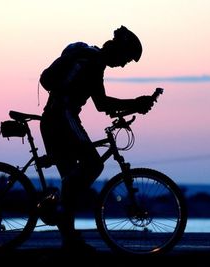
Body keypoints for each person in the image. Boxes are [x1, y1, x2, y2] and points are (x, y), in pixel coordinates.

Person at [39, 25, 155, 252]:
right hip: (62, 117)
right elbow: (102, 104)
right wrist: (136, 104)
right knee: (93, 164)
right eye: (126, 59)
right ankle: (64, 216)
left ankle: (69, 240)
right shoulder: (94, 63)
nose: (123, 65)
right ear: (118, 51)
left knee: (70, 178)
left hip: (54, 119)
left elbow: (102, 104)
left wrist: (132, 106)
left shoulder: (91, 60)